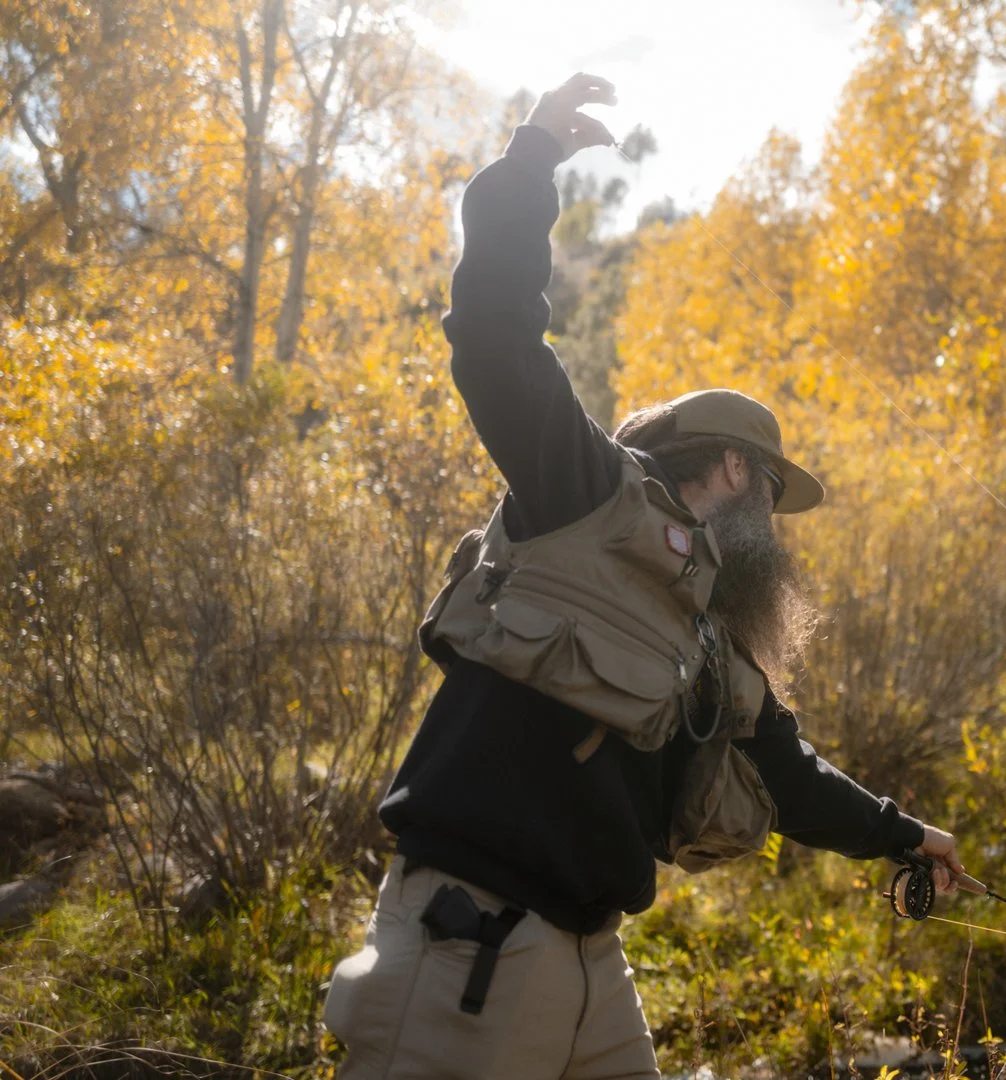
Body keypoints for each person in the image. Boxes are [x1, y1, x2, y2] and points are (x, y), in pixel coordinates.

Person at [322, 72, 965, 1080]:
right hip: (469, 942)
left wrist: (902, 836)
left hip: (589, 959)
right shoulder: (580, 492)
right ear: (736, 470)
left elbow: (787, 778)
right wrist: (531, 160)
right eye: (767, 495)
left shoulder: (712, 632)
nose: (773, 529)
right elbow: (492, 334)